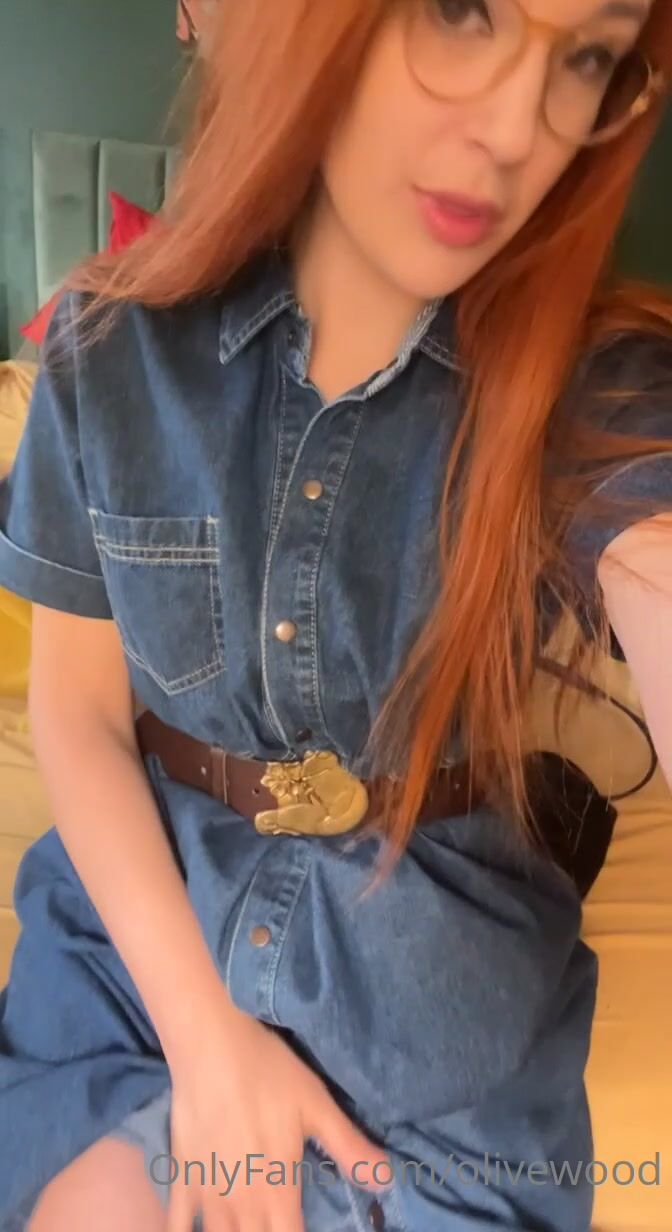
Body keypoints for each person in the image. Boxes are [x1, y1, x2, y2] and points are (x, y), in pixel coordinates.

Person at [1, 1, 671, 1229]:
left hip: (434, 996)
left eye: (589, 55)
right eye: (462, 8)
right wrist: (207, 1043)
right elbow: (78, 711)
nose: (519, 128)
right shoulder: (106, 351)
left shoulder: (591, 385)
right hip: (139, 949)